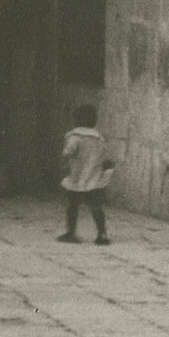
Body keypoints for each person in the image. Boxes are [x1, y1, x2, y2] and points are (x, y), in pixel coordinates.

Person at [58, 103, 113, 245]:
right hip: (93, 178)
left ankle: (71, 232)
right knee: (96, 207)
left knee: (72, 205)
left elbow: (67, 152)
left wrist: (64, 163)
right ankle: (102, 233)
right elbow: (104, 155)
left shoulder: (74, 137)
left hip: (77, 177)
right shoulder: (99, 138)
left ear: (76, 120)